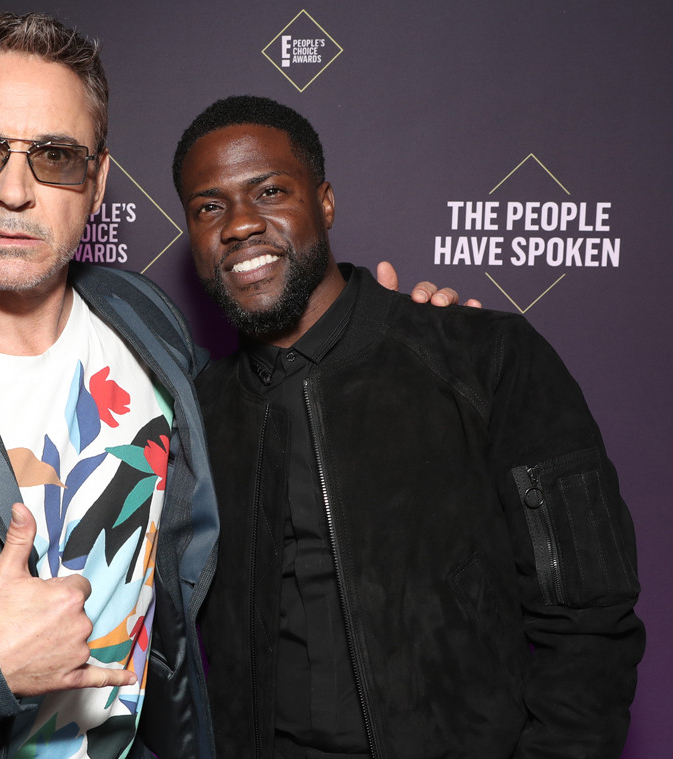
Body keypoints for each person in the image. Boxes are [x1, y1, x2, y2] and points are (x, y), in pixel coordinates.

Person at [0, 12, 459, 758]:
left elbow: (258, 415)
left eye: (54, 156)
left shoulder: (141, 316)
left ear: (98, 180)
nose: (14, 191)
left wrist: (391, 346)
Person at [173, 95, 645, 759]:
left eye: (270, 190)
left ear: (325, 202)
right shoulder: (197, 411)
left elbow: (591, 620)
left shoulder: (485, 358)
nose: (240, 224)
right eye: (208, 207)